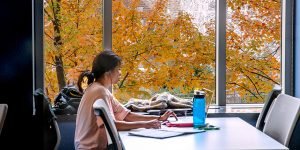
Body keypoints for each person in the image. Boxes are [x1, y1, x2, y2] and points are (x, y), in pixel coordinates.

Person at [74, 50, 177, 150]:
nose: (120, 73)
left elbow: (127, 115)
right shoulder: (100, 92)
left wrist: (159, 118)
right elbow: (113, 125)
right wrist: (146, 124)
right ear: (108, 72)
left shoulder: (99, 89)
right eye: (118, 69)